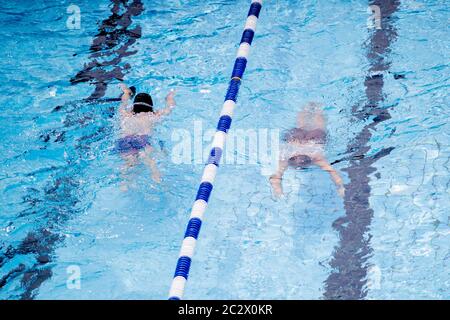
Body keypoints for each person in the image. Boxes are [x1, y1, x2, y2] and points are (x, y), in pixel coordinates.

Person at [269, 102, 345, 198]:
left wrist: (341, 186)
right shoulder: (286, 157)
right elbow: (275, 178)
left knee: (318, 126)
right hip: (295, 139)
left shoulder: (316, 157)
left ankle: (317, 108)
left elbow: (333, 172)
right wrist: (278, 191)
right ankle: (308, 107)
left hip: (313, 140)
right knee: (301, 126)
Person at [117, 83, 176, 187]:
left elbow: (124, 101)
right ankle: (157, 179)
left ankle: (124, 184)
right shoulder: (153, 115)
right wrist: (170, 96)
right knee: (149, 161)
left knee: (128, 164)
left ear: (134, 106)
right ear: (151, 107)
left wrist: (126, 91)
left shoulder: (125, 114)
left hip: (124, 140)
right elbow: (169, 108)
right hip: (142, 140)